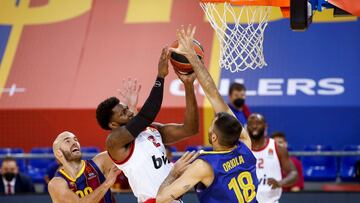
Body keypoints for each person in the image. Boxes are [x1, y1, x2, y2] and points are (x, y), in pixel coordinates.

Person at [155, 25, 257, 203]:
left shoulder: (204, 166)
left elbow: (161, 199)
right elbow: (214, 95)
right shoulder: (246, 147)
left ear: (214, 137)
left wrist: (173, 173)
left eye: (211, 125)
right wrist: (194, 59)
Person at [95, 47, 199, 202]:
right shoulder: (114, 142)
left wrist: (189, 86)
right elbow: (147, 115)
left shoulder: (151, 130)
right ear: (113, 124)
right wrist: (160, 76)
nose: (129, 112)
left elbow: (190, 128)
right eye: (123, 113)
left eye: (126, 108)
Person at [48, 131, 120, 203]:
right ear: (59, 153)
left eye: (75, 139)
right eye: (67, 141)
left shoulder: (100, 162)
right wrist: (107, 184)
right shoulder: (56, 184)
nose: (74, 142)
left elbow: (124, 151)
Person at [247, 114, 298, 203]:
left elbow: (294, 173)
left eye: (258, 123)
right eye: (251, 123)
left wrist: (280, 183)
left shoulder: (277, 147)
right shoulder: (242, 149)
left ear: (265, 126)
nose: (254, 126)